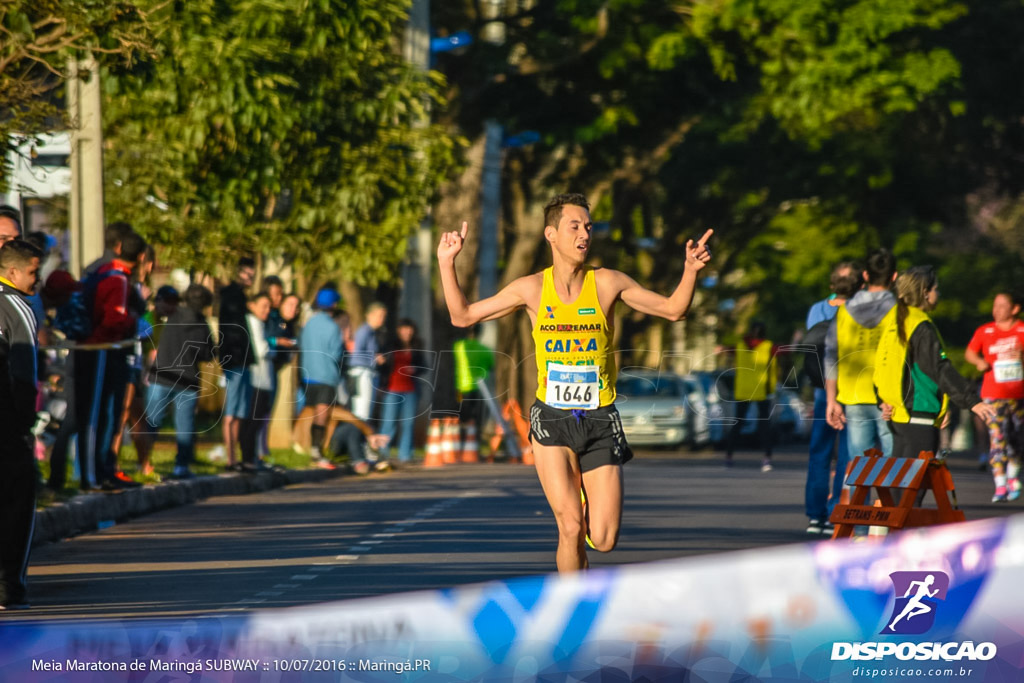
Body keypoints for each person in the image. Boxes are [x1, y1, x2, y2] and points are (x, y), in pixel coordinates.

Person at [437, 192, 712, 573]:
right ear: (551, 234)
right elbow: (462, 316)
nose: (584, 233)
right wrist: (446, 262)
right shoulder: (531, 289)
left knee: (603, 538)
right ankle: (575, 616)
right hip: (551, 419)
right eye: (575, 226)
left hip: (599, 420)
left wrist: (690, 271)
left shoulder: (608, 283)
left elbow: (673, 310)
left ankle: (583, 507)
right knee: (569, 526)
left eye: (588, 226)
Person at [874, 266, 996, 460]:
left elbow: (880, 363)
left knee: (900, 481)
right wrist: (972, 401)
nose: (938, 293)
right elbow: (938, 367)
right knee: (914, 481)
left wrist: (882, 400)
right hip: (919, 410)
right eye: (935, 289)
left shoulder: (894, 319)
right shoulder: (920, 325)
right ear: (925, 293)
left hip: (897, 411)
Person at [73, 229, 148, 490]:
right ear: (139, 256)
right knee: (99, 413)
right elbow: (114, 319)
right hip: (101, 350)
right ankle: (93, 474)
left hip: (98, 349)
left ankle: (102, 469)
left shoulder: (102, 271)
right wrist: (134, 321)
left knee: (107, 412)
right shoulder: (118, 279)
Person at [0, 239, 43, 609]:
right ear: (12, 272)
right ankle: (9, 587)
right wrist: (26, 426)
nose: (37, 279)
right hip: (6, 423)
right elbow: (24, 373)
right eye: (32, 272)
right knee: (17, 499)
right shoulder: (18, 307)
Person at [803, 262, 860, 534]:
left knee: (820, 453)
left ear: (831, 284)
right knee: (848, 454)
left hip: (822, 390)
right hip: (852, 389)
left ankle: (816, 515)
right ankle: (838, 511)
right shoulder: (863, 309)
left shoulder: (817, 309)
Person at [137, 284, 216, 480]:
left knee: (152, 422)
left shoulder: (170, 316)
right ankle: (181, 466)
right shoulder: (201, 323)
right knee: (184, 425)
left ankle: (144, 463)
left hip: (161, 376)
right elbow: (209, 353)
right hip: (188, 380)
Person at [825, 248, 898, 457]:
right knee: (894, 467)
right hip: (889, 398)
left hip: (853, 394)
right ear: (894, 276)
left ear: (865, 275)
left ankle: (853, 490)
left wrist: (832, 399)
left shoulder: (844, 311)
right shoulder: (899, 312)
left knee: (857, 467)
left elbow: (831, 356)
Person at [964, 292, 1024, 501]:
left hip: (1018, 395)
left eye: (1002, 306)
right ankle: (999, 483)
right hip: (993, 394)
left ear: (1014, 309)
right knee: (997, 438)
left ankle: (1012, 476)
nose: (996, 310)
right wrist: (979, 362)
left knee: (1017, 438)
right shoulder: (985, 331)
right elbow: (969, 352)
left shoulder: (1021, 330)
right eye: (994, 306)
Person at [298, 288, 345, 468]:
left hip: (308, 374)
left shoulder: (308, 323)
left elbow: (302, 345)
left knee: (310, 412)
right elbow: (336, 353)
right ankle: (316, 450)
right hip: (326, 375)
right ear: (333, 305)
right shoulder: (333, 327)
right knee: (322, 415)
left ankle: (308, 448)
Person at [217, 257, 256, 470]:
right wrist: (230, 356)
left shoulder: (239, 296)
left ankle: (237, 456)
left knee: (240, 411)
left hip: (242, 359)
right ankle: (230, 458)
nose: (250, 278)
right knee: (232, 411)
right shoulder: (231, 296)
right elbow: (230, 331)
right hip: (234, 360)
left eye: (252, 274)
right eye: (247, 273)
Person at [725, 321, 778, 472]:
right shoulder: (768, 346)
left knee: (738, 424)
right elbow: (785, 351)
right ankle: (766, 459)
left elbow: (727, 350)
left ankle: (729, 456)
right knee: (764, 426)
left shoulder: (740, 345)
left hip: (742, 389)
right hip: (761, 389)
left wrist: (721, 349)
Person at [378, 318, 426, 465]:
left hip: (410, 389)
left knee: (408, 423)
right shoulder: (390, 344)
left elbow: (424, 366)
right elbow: (382, 365)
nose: (407, 332)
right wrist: (381, 362)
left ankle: (405, 454)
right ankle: (382, 453)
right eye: (404, 329)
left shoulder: (417, 345)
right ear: (399, 330)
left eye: (410, 329)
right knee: (389, 422)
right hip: (392, 388)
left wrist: (415, 369)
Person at [453, 327, 495, 456]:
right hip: (480, 389)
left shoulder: (458, 347)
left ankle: (460, 446)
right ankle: (474, 446)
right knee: (476, 418)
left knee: (462, 418)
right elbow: (490, 366)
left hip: (462, 387)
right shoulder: (485, 349)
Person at [348, 301, 387, 421]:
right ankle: (357, 438)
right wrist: (374, 358)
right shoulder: (364, 331)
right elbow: (357, 353)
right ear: (370, 315)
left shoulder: (373, 333)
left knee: (367, 409)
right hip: (362, 373)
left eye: (383, 316)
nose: (382, 319)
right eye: (379, 315)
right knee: (362, 410)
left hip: (369, 373)